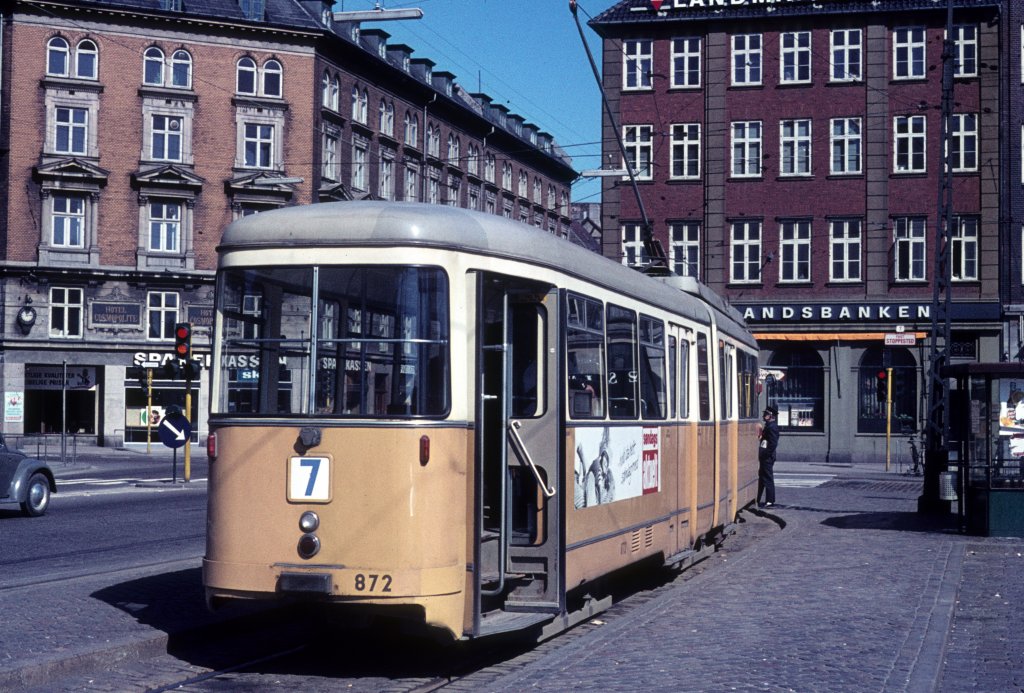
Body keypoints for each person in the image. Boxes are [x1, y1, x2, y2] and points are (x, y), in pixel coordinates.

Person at [758, 405, 780, 508]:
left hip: (767, 457)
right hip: (765, 456)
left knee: (767, 478)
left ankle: (770, 500)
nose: (764, 416)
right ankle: (758, 498)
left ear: (771, 416)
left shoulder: (772, 427)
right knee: (762, 477)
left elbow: (773, 444)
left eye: (766, 414)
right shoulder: (769, 425)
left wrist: (765, 454)